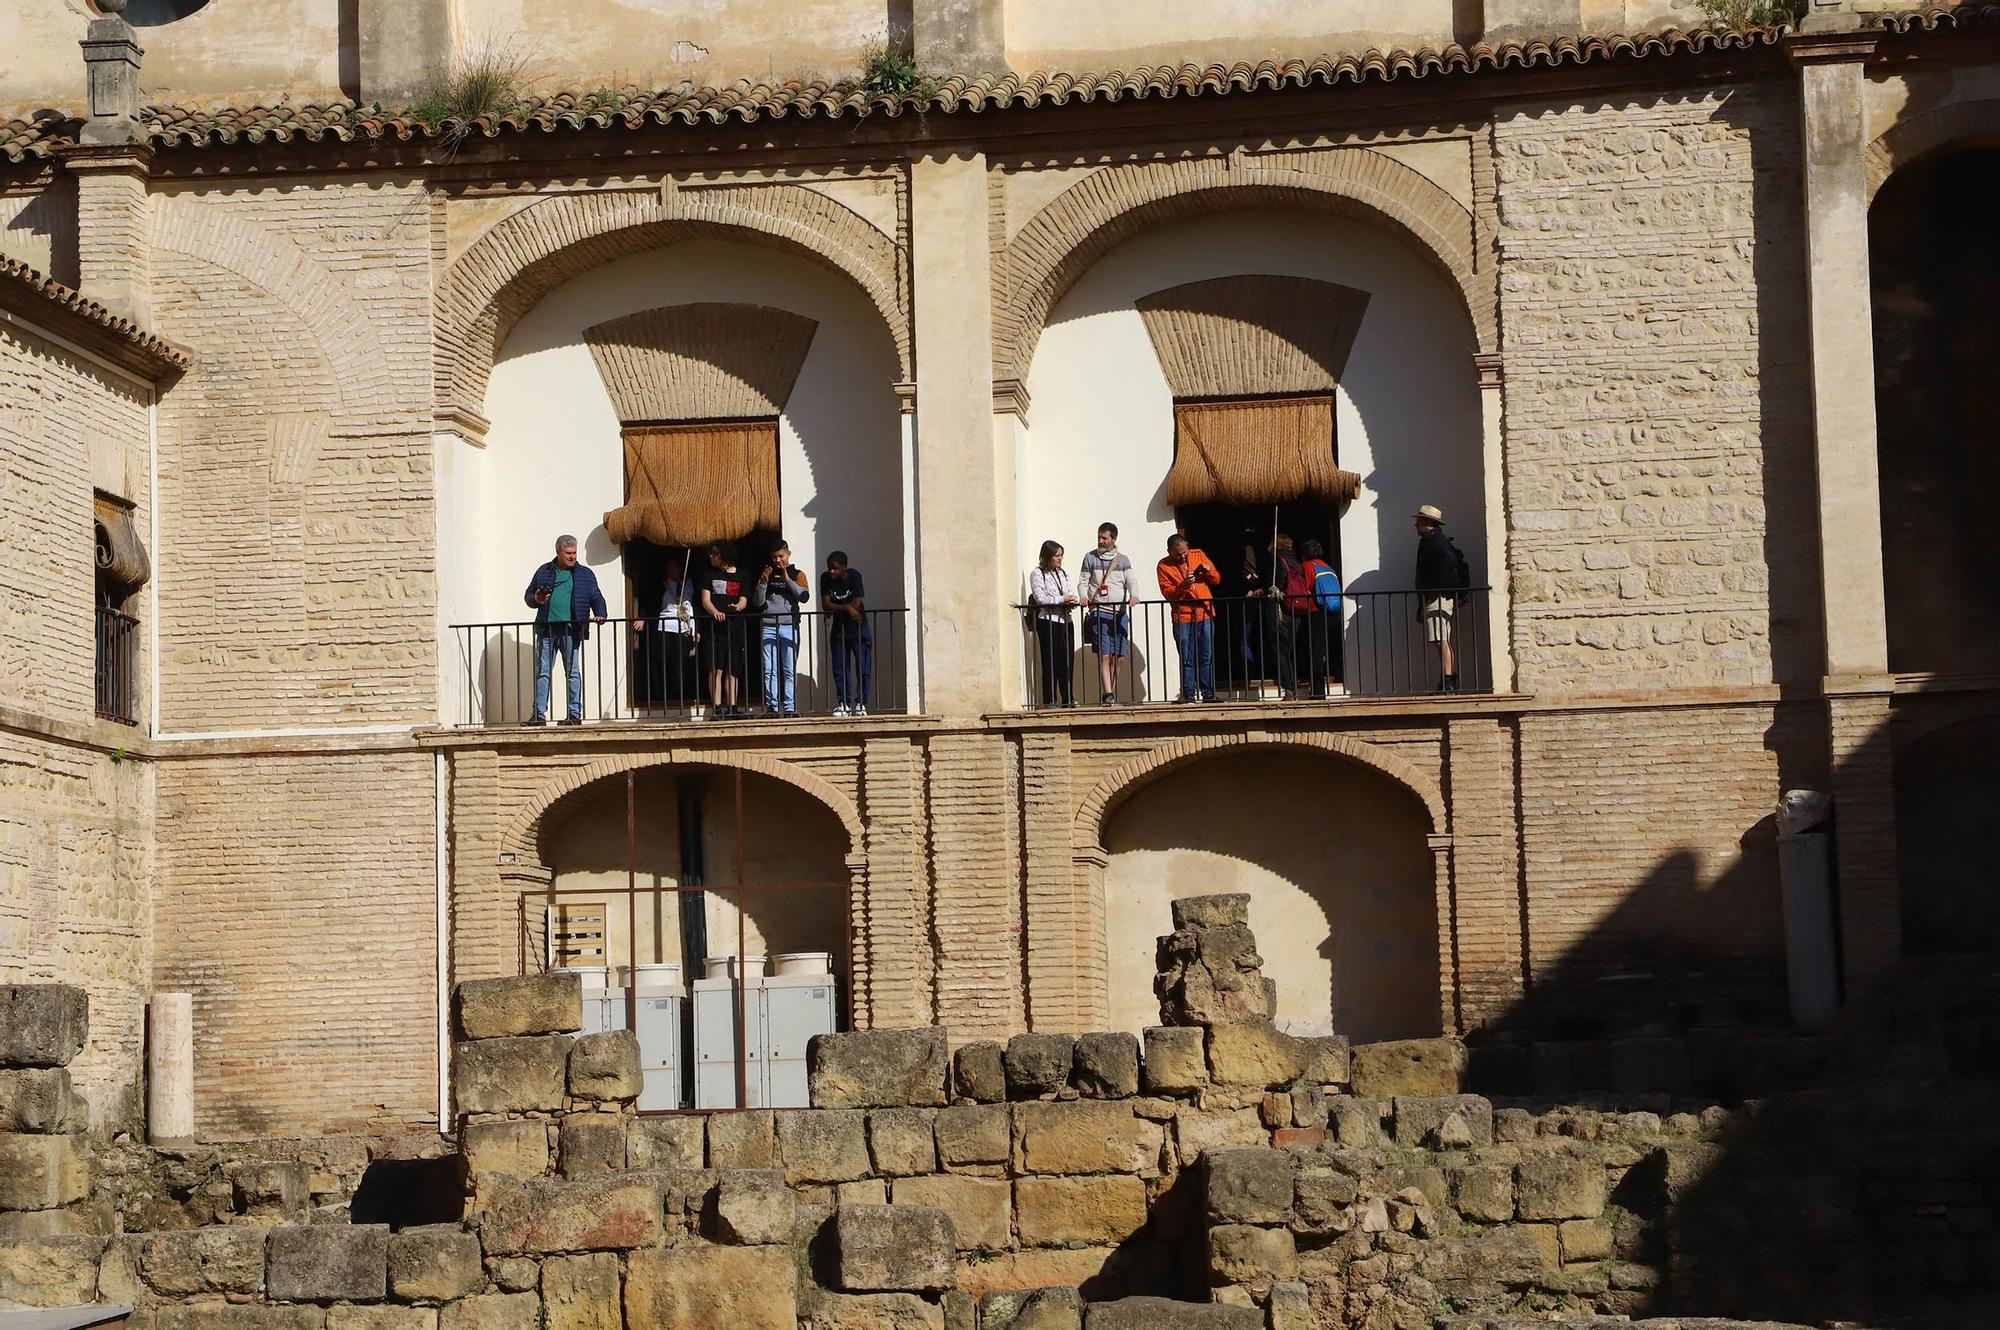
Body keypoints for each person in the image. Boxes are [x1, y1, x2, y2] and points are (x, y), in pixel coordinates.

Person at [522, 534, 606, 726]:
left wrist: (601, 613)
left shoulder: (585, 574)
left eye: (575, 553)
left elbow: (596, 597)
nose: (572, 556)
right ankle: (539, 715)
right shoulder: (544, 571)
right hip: (547, 630)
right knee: (543, 671)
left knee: (573, 672)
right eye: (568, 553)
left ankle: (574, 714)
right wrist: (536, 598)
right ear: (558, 552)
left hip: (571, 630)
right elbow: (528, 596)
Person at [1157, 533, 1220, 703]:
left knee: (1206, 655)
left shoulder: (1197, 554)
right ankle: (1188, 694)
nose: (1183, 556)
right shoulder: (1163, 566)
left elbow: (1217, 579)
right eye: (1178, 554)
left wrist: (1208, 572)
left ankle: (1208, 694)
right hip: (1183, 616)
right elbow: (1168, 593)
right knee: (1187, 657)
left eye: (1185, 552)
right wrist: (1184, 584)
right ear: (1169, 551)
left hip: (1205, 612)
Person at [1079, 522, 1136, 705]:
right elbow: (1083, 581)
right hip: (1099, 611)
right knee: (1105, 654)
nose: (1101, 541)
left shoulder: (1123, 559)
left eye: (1104, 538)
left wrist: (1135, 595)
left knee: (1119, 657)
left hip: (1119, 613)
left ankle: (1110, 691)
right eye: (1099, 537)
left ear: (1113, 539)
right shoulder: (1090, 558)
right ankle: (1108, 693)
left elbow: (1131, 580)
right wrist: (1083, 597)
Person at [638, 550, 701, 715]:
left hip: (684, 629)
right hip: (664, 628)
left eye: (676, 568)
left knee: (680, 665)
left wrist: (696, 628)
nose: (673, 571)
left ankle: (679, 697)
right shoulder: (661, 585)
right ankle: (662, 697)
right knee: (663, 664)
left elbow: (694, 607)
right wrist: (642, 618)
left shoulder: (689, 584)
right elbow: (650, 603)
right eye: (670, 568)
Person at [754, 539, 811, 717]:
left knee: (788, 669)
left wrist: (787, 578)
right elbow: (757, 602)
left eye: (781, 556)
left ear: (788, 554)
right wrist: (763, 581)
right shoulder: (767, 574)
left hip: (789, 626)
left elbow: (804, 597)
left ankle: (790, 708)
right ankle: (772, 707)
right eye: (774, 557)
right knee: (769, 669)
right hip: (769, 625)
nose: (778, 561)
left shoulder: (798, 574)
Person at [1413, 504, 1466, 692]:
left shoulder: (1434, 542)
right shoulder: (1436, 540)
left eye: (1418, 521)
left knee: (1441, 639)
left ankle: (1448, 681)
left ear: (1427, 522)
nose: (1415, 525)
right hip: (1437, 597)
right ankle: (1448, 679)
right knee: (1441, 639)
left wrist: (1435, 591)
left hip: (1438, 598)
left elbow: (1446, 565)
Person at [699, 541, 752, 718]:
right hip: (715, 627)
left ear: (725, 554)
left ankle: (733, 707)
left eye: (715, 553)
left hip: (735, 627)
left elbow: (744, 600)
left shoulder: (743, 575)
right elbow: (705, 599)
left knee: (733, 669)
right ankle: (716, 707)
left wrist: (737, 607)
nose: (711, 556)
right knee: (716, 668)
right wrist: (715, 612)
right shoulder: (709, 575)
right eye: (710, 553)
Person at [1028, 540, 1079, 707]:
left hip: (1065, 621)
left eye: (1061, 555)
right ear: (1047, 556)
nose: (1060, 559)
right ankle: (1050, 699)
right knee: (1050, 661)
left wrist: (1071, 599)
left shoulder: (1062, 573)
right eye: (1057, 556)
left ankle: (1068, 698)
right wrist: (1061, 599)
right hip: (1048, 622)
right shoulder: (1038, 573)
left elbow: (1069, 591)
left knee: (1067, 661)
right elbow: (1040, 598)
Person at [821, 551, 872, 716]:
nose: (831, 572)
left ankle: (861, 703)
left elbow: (857, 603)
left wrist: (848, 608)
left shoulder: (854, 577)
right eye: (829, 568)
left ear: (844, 567)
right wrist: (847, 608)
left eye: (835, 569)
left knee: (863, 667)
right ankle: (843, 703)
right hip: (839, 627)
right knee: (840, 668)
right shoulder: (825, 578)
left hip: (858, 627)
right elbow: (826, 605)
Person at [1297, 538, 1340, 700]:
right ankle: (1333, 675)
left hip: (1315, 613)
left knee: (1314, 651)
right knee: (1327, 649)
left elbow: (1304, 590)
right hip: (1333, 613)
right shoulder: (1328, 567)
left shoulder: (1308, 566)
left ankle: (1317, 690)